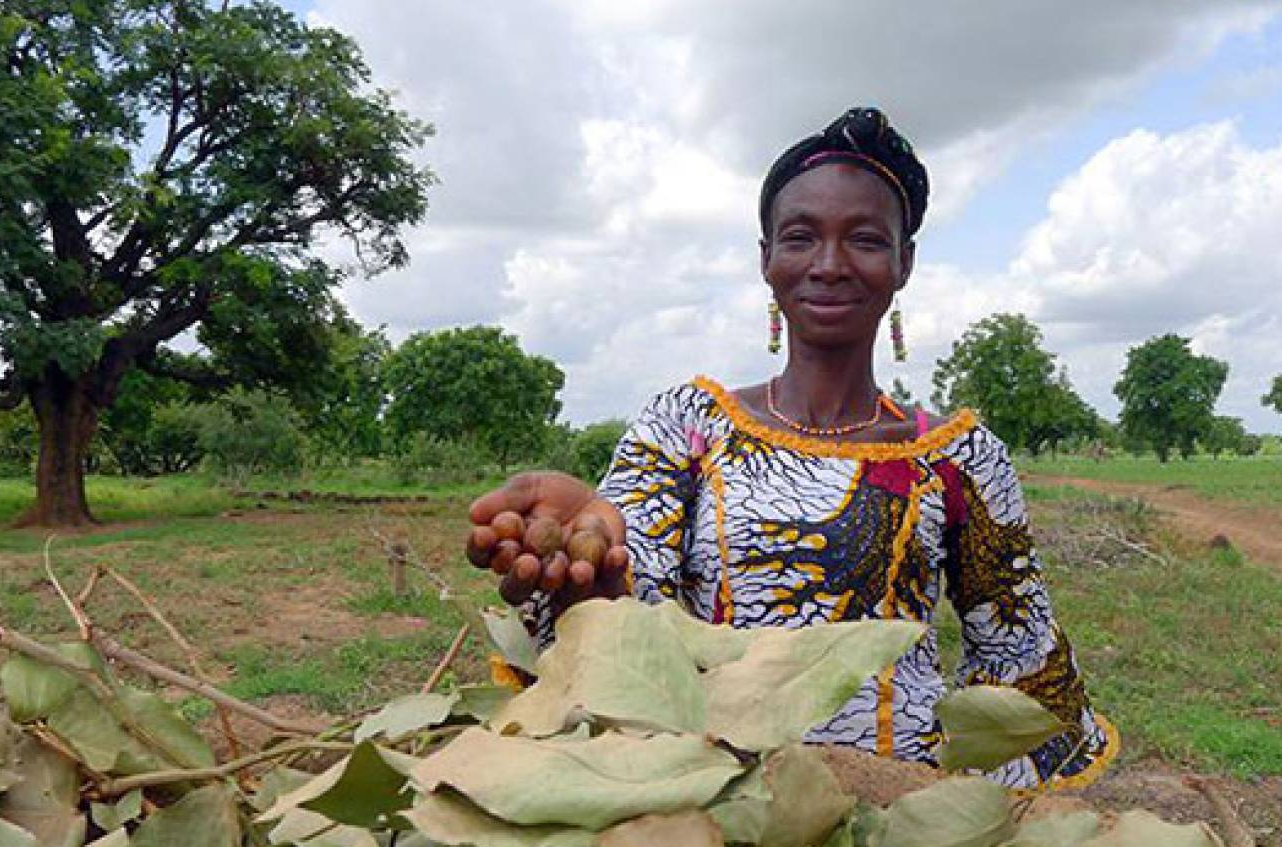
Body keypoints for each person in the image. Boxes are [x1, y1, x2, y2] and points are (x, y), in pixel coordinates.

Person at [466, 107, 1116, 790]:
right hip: (711, 801)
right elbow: (629, 588)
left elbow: (1018, 655)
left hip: (898, 809)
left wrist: (982, 820)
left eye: (865, 240)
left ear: (905, 263)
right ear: (766, 258)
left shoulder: (958, 456)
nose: (829, 265)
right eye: (800, 237)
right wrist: (585, 570)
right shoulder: (686, 426)